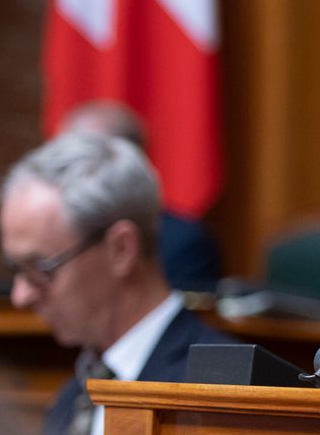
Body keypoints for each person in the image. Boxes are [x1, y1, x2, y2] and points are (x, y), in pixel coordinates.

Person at [0, 132, 235, 435]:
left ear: (121, 249)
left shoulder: (226, 392)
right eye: (16, 270)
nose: (21, 296)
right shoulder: (72, 399)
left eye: (40, 268)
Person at [59, 100, 222, 292]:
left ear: (130, 164)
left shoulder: (183, 243)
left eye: (79, 163)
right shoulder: (54, 234)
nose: (62, 176)